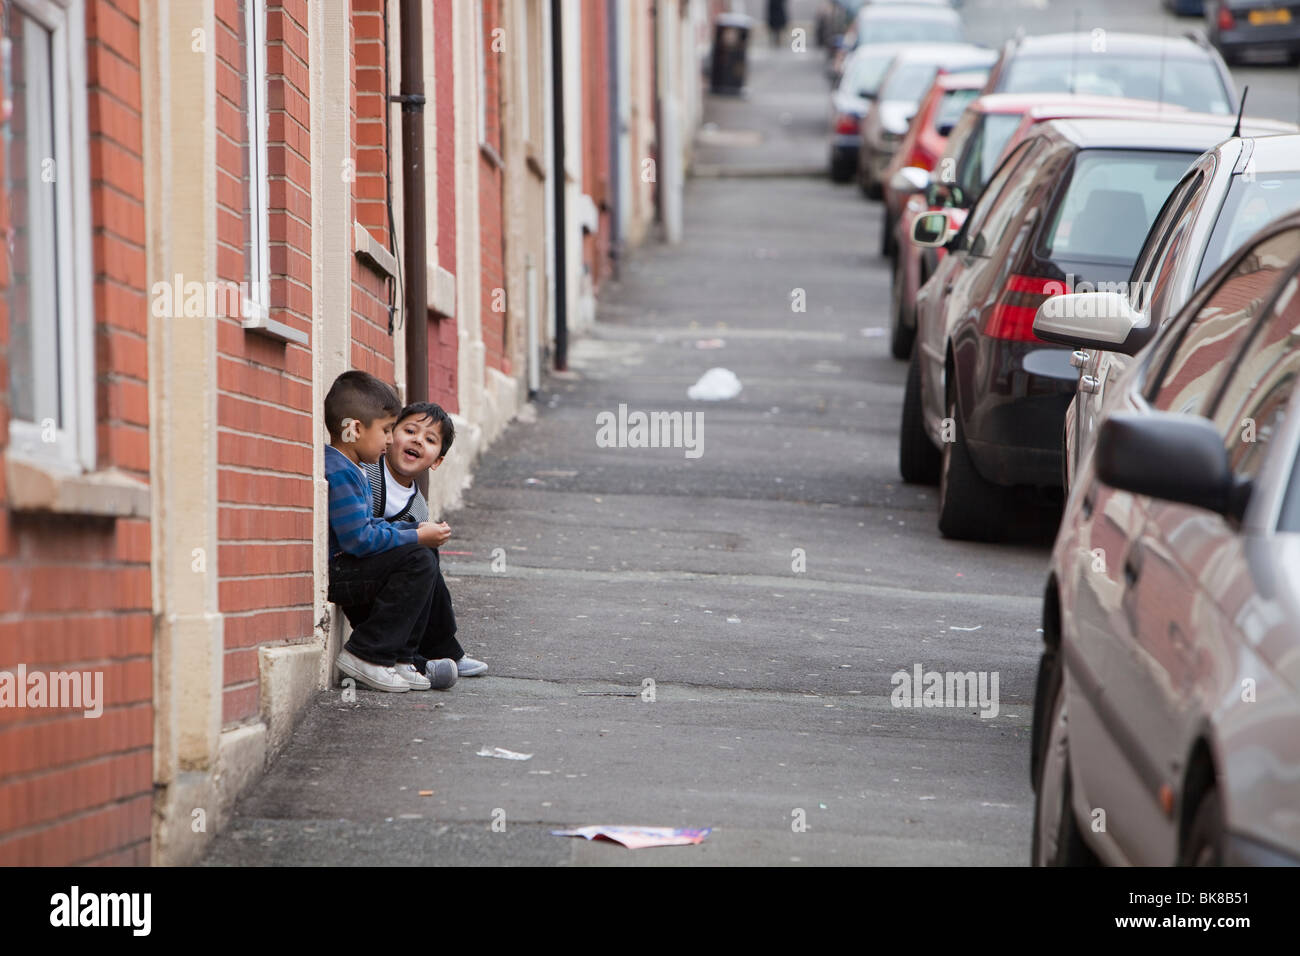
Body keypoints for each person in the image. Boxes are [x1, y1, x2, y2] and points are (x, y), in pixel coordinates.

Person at [324, 371, 444, 692]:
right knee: (418, 556)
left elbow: (369, 527)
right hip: (340, 572)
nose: (391, 440)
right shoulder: (339, 471)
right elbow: (359, 539)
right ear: (353, 429)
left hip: (351, 568)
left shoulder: (354, 468)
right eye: (386, 430)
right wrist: (414, 537)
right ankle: (367, 655)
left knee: (423, 551)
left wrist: (414, 530)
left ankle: (402, 656)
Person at [362, 401, 489, 683]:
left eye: (430, 440)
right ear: (390, 435)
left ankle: (442, 647)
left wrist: (423, 535)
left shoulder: (418, 505)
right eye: (410, 430)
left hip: (395, 581)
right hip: (361, 574)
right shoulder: (369, 473)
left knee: (427, 557)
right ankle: (411, 658)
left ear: (437, 461)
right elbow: (361, 531)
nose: (418, 440)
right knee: (420, 549)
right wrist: (415, 533)